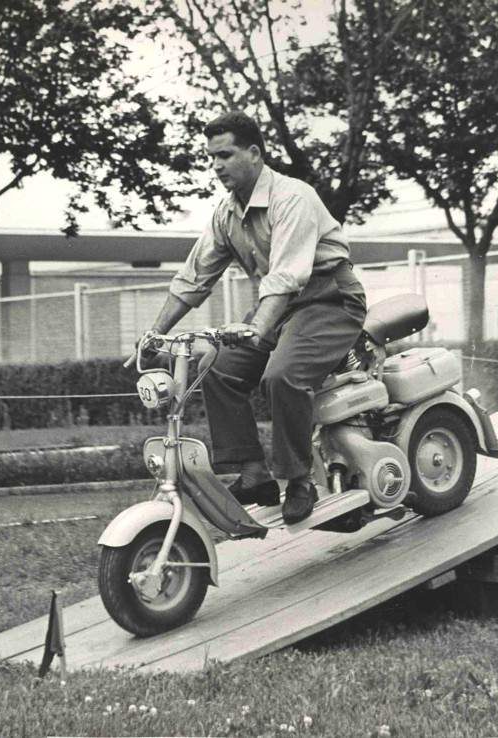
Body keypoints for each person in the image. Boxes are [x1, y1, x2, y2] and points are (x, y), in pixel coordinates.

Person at [144, 111, 367, 524]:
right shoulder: (227, 213)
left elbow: (286, 277)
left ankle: (299, 480)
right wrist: (154, 333)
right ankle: (253, 473)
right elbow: (195, 277)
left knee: (280, 375)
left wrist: (257, 330)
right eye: (211, 157)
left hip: (328, 298)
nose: (216, 166)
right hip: (280, 307)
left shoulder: (292, 198)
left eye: (225, 155)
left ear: (255, 153)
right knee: (216, 368)